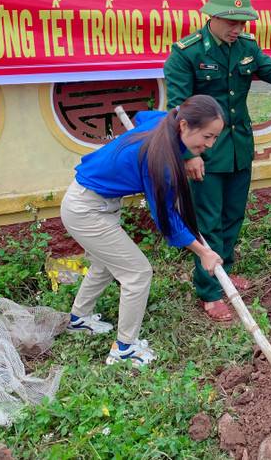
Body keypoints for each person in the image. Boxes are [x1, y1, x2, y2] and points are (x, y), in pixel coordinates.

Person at [163, 0, 271, 323]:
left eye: (243, 22)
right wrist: (187, 155)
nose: (238, 29)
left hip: (239, 149)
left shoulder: (246, 47)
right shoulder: (186, 53)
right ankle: (209, 292)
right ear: (212, 17)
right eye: (231, 22)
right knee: (207, 221)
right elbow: (176, 109)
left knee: (233, 216)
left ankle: (225, 271)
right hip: (204, 153)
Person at [62, 96, 225, 368]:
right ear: (184, 125)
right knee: (137, 273)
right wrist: (203, 252)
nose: (210, 145)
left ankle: (79, 320)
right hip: (86, 211)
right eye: (207, 136)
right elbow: (168, 219)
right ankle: (125, 350)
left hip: (94, 202)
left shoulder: (167, 120)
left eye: (215, 137)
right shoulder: (159, 161)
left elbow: (141, 117)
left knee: (104, 265)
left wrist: (186, 154)